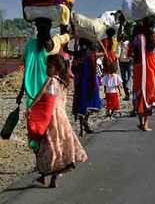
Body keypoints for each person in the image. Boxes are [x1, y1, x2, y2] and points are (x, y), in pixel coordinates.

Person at [29, 54, 88, 188]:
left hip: (50, 118)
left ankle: (44, 175)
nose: (46, 69)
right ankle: (52, 178)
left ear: (56, 69)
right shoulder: (64, 83)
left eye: (49, 66)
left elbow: (40, 95)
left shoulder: (50, 80)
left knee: (47, 145)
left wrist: (31, 107)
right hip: (62, 119)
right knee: (60, 144)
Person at [132, 17, 155, 131]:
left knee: (139, 92)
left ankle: (141, 122)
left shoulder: (137, 38)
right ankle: (146, 124)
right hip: (151, 68)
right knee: (150, 94)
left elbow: (133, 51)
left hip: (139, 67)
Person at [72, 38, 103, 136]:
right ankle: (85, 122)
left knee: (81, 105)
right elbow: (104, 53)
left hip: (79, 84)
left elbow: (73, 68)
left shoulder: (77, 54)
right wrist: (99, 40)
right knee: (90, 105)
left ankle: (81, 129)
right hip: (90, 84)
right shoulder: (92, 55)